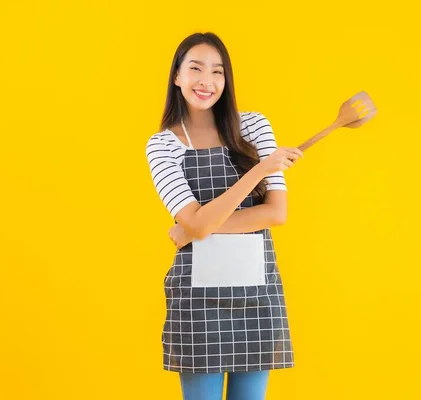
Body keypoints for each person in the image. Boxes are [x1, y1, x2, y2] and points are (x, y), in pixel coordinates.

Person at [145, 32, 302, 400]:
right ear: (177, 76)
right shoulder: (163, 144)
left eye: (218, 72)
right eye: (195, 69)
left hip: (257, 294)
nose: (207, 81)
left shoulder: (254, 126)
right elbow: (196, 222)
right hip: (197, 299)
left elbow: (275, 213)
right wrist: (258, 172)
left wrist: (194, 229)